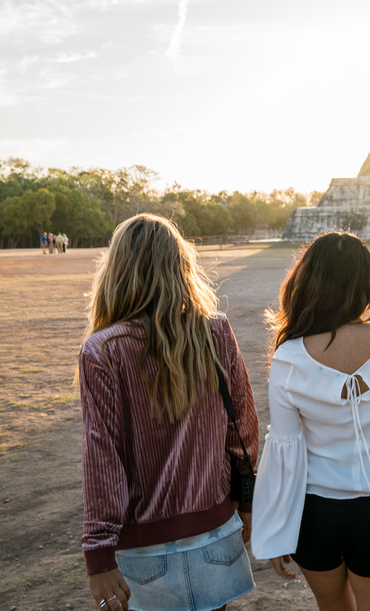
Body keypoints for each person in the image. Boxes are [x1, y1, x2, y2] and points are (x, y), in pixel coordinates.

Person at [78, 213, 259, 611]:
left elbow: (103, 459)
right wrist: (247, 503)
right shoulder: (215, 330)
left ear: (116, 271)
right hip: (216, 534)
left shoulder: (103, 350)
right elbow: (241, 428)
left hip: (145, 550)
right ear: (181, 266)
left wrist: (99, 554)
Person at [251, 230, 370, 611]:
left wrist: (276, 529)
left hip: (316, 514)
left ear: (307, 282)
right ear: (366, 282)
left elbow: (284, 450)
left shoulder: (288, 357)